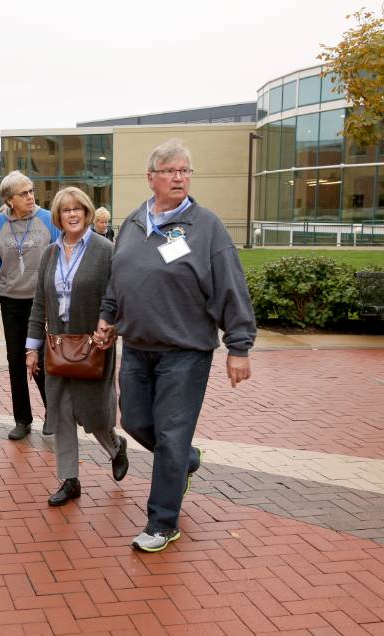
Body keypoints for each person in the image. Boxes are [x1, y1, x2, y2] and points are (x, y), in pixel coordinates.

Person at [97, 138, 256, 553]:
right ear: (151, 178)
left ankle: (162, 522)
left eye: (185, 170)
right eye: (170, 170)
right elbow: (118, 278)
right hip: (137, 347)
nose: (179, 177)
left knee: (170, 433)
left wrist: (239, 347)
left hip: (185, 352)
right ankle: (182, 460)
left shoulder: (206, 227)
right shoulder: (132, 223)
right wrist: (107, 316)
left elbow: (231, 288)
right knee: (133, 420)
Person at [26, 187, 127, 506]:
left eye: (77, 209)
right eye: (65, 209)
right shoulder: (50, 254)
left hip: (94, 347)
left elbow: (120, 297)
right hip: (57, 348)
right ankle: (69, 480)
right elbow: (40, 303)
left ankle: (114, 446)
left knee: (95, 414)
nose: (71, 214)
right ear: (58, 215)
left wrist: (111, 328)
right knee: (62, 414)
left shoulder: (105, 250)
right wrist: (32, 348)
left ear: (86, 213)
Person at [0, 171, 60, 440]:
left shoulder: (47, 219)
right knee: (16, 362)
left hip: (42, 303)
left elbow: (62, 256)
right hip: (11, 302)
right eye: (24, 193)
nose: (30, 197)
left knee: (44, 362)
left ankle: (53, 413)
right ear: (10, 199)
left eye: (31, 191)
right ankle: (22, 419)